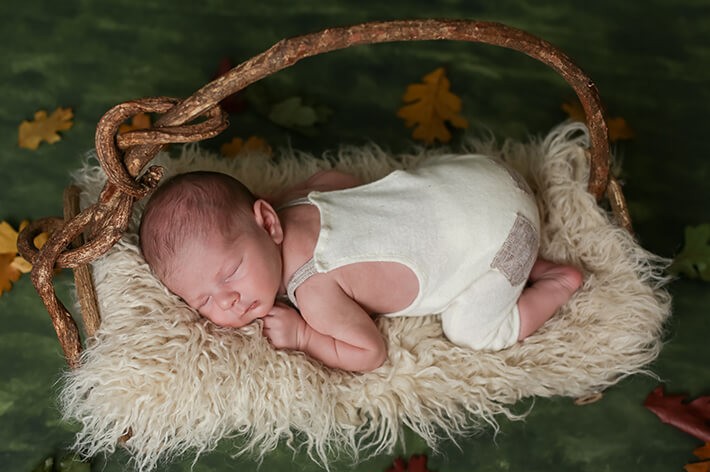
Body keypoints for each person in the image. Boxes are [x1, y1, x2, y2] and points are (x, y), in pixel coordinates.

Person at [139, 155, 583, 372]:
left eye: (230, 273)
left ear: (267, 221)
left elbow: (370, 352)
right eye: (202, 301)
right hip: (485, 176)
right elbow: (342, 181)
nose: (228, 301)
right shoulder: (303, 197)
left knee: (472, 332)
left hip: (506, 232)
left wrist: (304, 336)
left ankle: (557, 282)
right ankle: (524, 265)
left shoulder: (314, 288)